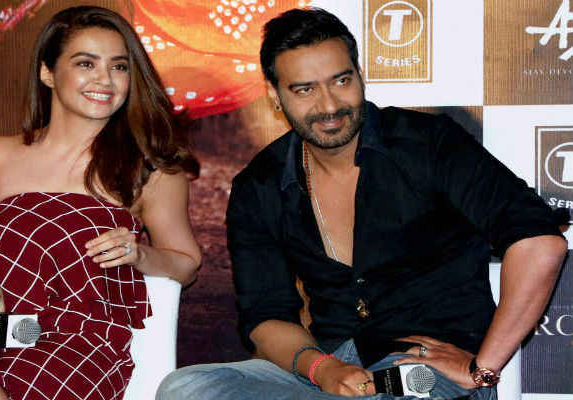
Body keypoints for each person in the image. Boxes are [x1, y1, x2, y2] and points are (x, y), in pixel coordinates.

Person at [157, 7, 567, 400]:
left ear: (359, 74)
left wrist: (483, 368)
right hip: (331, 369)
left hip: (425, 369)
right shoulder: (260, 185)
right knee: (186, 388)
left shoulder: (429, 143)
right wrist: (323, 370)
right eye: (304, 89)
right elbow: (266, 317)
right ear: (275, 96)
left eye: (341, 80)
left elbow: (539, 242)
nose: (329, 105)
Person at [0, 6, 201, 400]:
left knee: (39, 372)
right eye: (86, 63)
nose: (105, 79)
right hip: (3, 329)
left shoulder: (151, 170)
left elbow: (186, 263)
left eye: (119, 67)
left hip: (80, 339)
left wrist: (139, 255)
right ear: (47, 72)